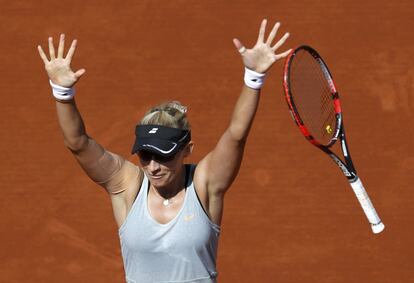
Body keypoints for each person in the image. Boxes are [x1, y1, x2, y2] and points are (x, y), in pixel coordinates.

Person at [37, 19, 291, 283]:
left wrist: (254, 78)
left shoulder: (205, 184)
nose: (154, 166)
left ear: (187, 150)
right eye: (146, 155)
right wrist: (62, 91)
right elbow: (78, 143)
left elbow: (236, 136)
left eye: (165, 155)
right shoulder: (128, 186)